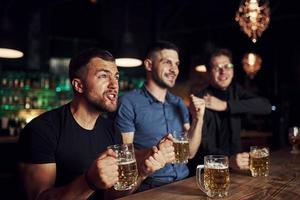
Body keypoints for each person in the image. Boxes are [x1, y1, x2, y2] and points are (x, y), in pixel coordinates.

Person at [18, 48, 173, 200]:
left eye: (116, 77)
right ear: (79, 85)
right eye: (103, 76)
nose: (114, 85)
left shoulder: (112, 130)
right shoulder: (41, 130)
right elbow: (39, 197)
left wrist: (143, 172)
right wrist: (89, 182)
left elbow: (113, 195)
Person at [115, 41, 205, 191]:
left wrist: (198, 119)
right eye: (167, 62)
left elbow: (190, 153)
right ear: (149, 65)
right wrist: (155, 152)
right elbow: (125, 156)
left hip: (184, 183)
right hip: (150, 188)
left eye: (176, 64)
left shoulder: (179, 103)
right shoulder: (128, 102)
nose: (174, 69)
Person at [189, 48, 272, 172]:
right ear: (208, 72)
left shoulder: (236, 91)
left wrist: (225, 105)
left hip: (236, 168)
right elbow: (202, 148)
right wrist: (228, 160)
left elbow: (266, 106)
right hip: (208, 171)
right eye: (217, 67)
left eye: (227, 66)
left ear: (233, 70)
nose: (223, 72)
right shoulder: (201, 100)